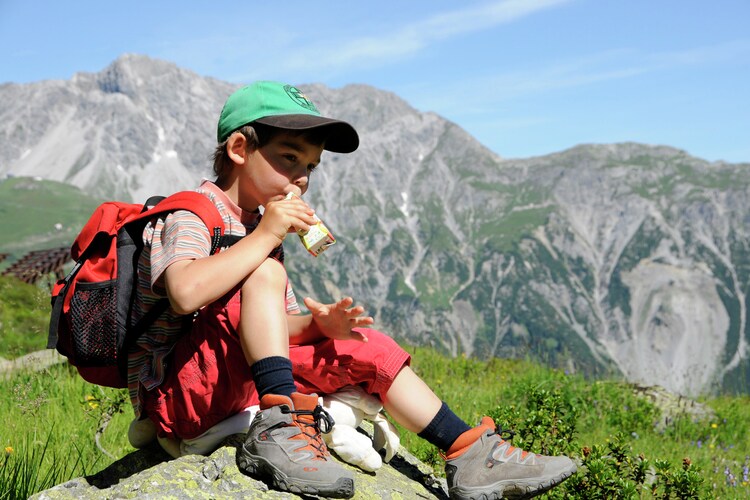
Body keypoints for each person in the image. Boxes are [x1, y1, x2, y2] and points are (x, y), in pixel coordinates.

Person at [126, 80, 577, 499]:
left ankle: (469, 453)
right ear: (240, 148)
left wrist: (319, 325)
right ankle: (282, 428)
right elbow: (185, 292)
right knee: (264, 272)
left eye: (311, 166)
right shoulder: (191, 214)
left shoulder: (257, 223)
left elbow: (268, 331)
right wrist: (265, 238)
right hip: (179, 397)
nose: (301, 177)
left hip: (234, 379)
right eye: (289, 158)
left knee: (361, 344)